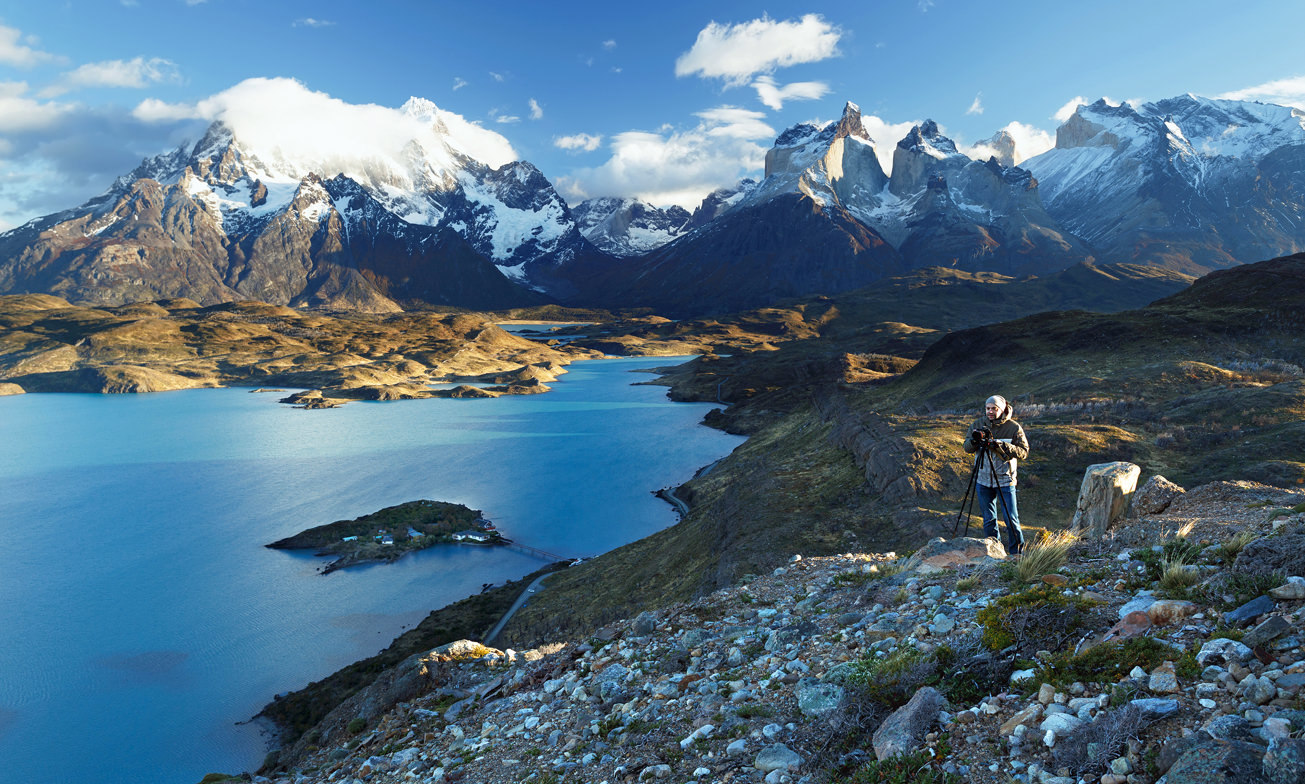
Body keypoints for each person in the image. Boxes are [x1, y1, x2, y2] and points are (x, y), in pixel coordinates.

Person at [962, 395, 1030, 555]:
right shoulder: (977, 424)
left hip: (1005, 480)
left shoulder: (1013, 427)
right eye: (988, 408)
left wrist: (1002, 445)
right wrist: (974, 441)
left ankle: (1017, 555)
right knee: (988, 520)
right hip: (983, 480)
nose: (990, 411)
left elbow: (1024, 452)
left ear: (1002, 409)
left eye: (994, 408)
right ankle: (994, 553)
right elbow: (966, 448)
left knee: (1011, 519)